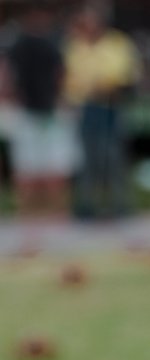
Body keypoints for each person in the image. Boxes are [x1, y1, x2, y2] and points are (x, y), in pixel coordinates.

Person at [64, 5, 142, 220]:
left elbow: (124, 74)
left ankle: (120, 206)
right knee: (87, 160)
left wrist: (100, 85)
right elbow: (69, 79)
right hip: (86, 108)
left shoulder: (117, 43)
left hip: (112, 106)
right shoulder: (75, 46)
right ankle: (86, 206)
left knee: (114, 157)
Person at [5, 3, 79, 217]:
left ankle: (57, 212)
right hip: (28, 110)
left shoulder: (53, 43)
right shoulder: (20, 44)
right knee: (28, 166)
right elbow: (9, 75)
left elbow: (62, 73)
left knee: (55, 165)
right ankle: (28, 213)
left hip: (49, 110)